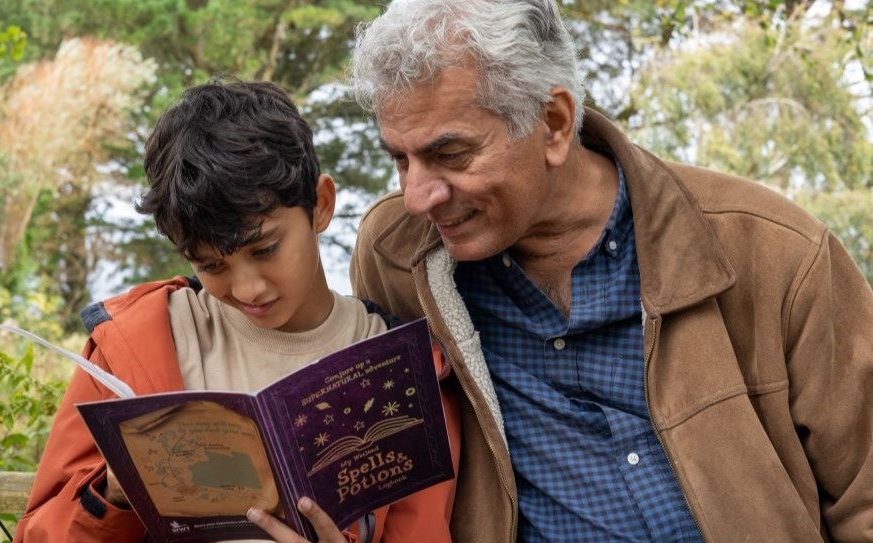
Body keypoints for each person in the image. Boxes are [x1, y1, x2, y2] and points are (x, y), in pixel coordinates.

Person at [347, 1, 873, 542]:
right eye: (401, 159)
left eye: (451, 154)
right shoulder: (397, 257)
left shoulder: (777, 253)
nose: (416, 197)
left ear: (553, 124)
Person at [13, 79, 459, 543]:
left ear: (321, 205)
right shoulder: (128, 347)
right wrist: (114, 493)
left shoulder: (405, 371)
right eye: (211, 265)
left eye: (265, 249)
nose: (248, 287)